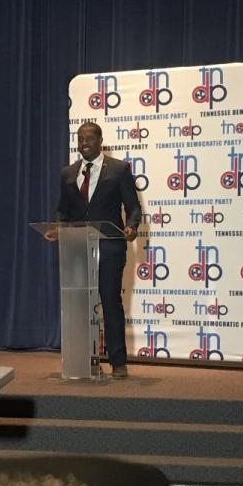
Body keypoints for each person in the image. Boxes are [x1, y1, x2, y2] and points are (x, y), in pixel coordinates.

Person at [57, 122, 142, 378]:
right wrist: (57, 228)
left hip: (110, 247)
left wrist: (132, 227)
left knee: (110, 301)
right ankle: (84, 360)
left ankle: (118, 363)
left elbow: (133, 206)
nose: (84, 142)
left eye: (89, 138)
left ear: (100, 140)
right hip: (78, 249)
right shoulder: (68, 174)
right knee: (80, 306)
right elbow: (63, 210)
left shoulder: (118, 169)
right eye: (80, 138)